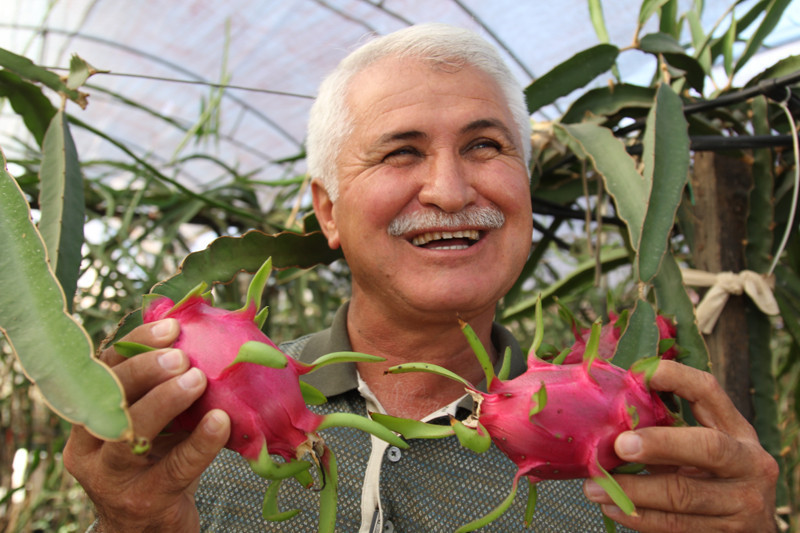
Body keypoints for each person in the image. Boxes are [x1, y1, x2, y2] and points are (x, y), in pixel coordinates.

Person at [64, 23, 779, 532]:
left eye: (485, 146)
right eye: (400, 152)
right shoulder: (188, 446)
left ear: (525, 191)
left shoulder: (637, 477)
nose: (448, 188)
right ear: (327, 210)